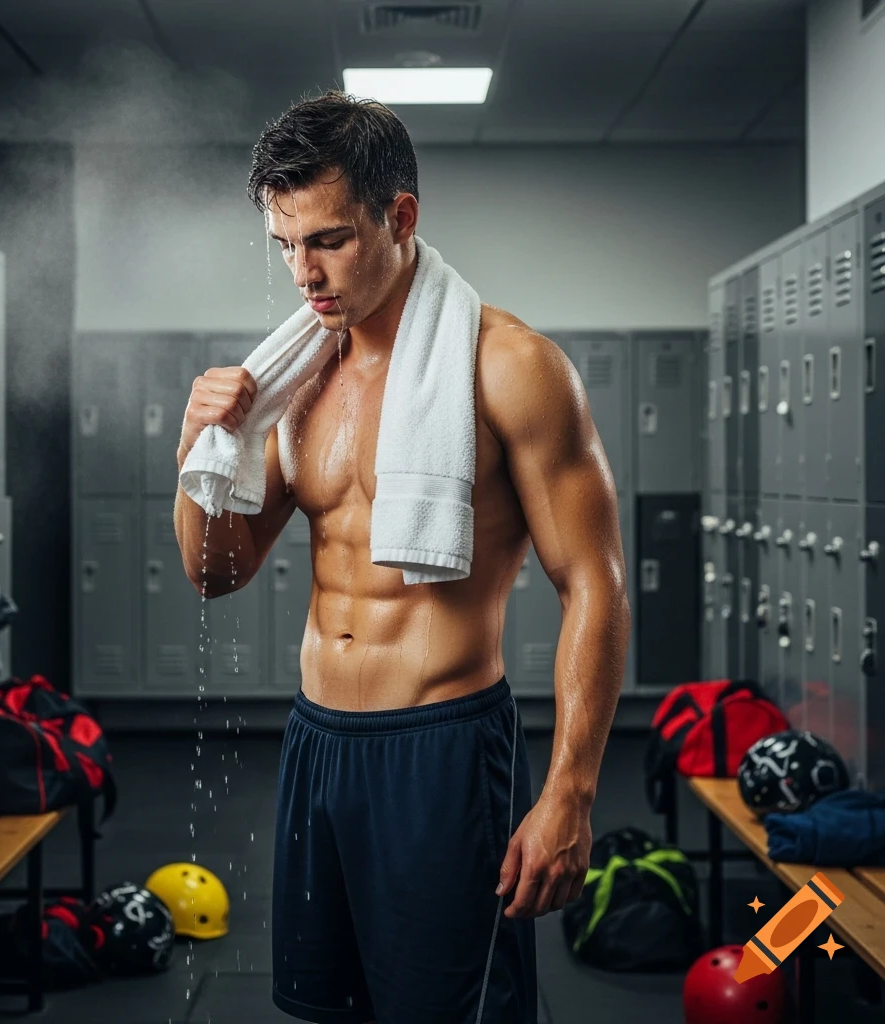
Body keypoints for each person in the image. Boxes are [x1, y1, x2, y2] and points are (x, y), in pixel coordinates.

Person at [174, 91, 630, 1024]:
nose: (305, 273)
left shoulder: (510, 366)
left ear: (401, 215)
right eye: (285, 245)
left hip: (441, 747)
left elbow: (594, 583)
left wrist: (571, 792)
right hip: (316, 741)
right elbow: (216, 571)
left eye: (329, 241)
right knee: (327, 1008)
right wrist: (194, 451)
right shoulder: (296, 380)